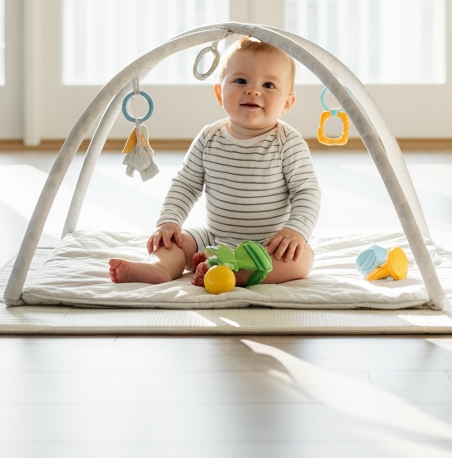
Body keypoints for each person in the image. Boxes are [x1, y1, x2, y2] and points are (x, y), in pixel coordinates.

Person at [108, 37, 320, 287]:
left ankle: (237, 272)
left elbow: (306, 192)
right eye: (240, 81)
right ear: (220, 93)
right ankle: (160, 267)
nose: (253, 90)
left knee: (302, 259)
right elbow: (186, 184)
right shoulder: (209, 137)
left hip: (268, 244)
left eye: (269, 84)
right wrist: (169, 221)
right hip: (214, 239)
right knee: (175, 242)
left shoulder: (288, 143)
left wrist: (295, 231)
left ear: (286, 103)